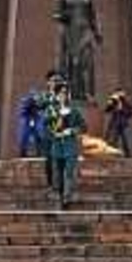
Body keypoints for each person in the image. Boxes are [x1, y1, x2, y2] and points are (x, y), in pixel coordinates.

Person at [53, 0, 102, 99]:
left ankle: (87, 92)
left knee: (85, 61)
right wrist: (64, 16)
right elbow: (56, 14)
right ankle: (70, 93)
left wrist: (97, 32)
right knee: (71, 62)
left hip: (85, 31)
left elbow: (93, 15)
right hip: (70, 32)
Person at [46, 80, 86, 209]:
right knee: (59, 172)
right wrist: (54, 134)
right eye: (61, 93)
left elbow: (84, 126)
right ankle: (62, 194)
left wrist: (72, 131)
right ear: (57, 95)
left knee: (68, 172)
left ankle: (66, 198)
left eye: (66, 93)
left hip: (70, 145)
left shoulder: (74, 111)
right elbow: (46, 126)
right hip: (57, 145)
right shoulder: (52, 110)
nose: (64, 95)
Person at [37, 71, 59, 188]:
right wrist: (50, 98)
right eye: (52, 81)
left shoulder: (62, 95)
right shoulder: (44, 95)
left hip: (60, 129)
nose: (54, 83)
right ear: (48, 83)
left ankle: (61, 182)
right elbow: (39, 104)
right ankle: (50, 182)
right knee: (49, 157)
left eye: (56, 81)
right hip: (48, 129)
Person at [104, 86, 132, 156]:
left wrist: (121, 109)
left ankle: (127, 153)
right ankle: (112, 152)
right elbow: (107, 110)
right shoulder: (113, 101)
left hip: (123, 122)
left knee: (125, 139)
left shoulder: (126, 102)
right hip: (115, 122)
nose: (119, 94)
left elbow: (130, 112)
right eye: (117, 93)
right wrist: (110, 104)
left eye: (120, 92)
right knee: (113, 138)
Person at [18, 89, 44, 157]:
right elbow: (23, 111)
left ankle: (39, 152)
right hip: (28, 121)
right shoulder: (26, 102)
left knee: (38, 135)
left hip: (35, 120)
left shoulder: (38, 103)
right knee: (25, 137)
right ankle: (24, 152)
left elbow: (40, 110)